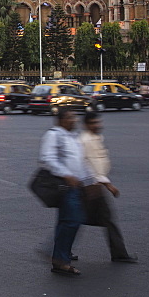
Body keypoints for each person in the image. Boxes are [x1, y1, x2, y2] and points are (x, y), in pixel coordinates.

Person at [39, 108, 94, 276]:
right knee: (72, 221)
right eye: (70, 117)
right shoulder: (54, 135)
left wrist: (89, 181)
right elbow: (46, 158)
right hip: (65, 186)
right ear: (61, 120)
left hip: (76, 187)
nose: (74, 120)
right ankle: (59, 258)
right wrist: (66, 175)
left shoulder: (73, 137)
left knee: (68, 222)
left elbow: (79, 162)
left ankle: (58, 256)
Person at [80, 112, 137, 262]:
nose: (97, 125)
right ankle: (119, 254)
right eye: (93, 123)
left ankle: (59, 249)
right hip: (91, 187)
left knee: (78, 219)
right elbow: (89, 166)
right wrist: (108, 185)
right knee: (103, 220)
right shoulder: (86, 141)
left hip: (94, 186)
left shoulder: (95, 138)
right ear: (86, 125)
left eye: (97, 122)